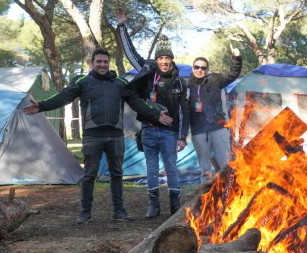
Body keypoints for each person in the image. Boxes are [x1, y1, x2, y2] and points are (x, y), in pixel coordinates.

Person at [23, 48, 173, 224]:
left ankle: (119, 211)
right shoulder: (83, 82)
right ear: (92, 63)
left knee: (117, 174)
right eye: (99, 61)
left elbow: (136, 103)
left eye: (105, 62)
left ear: (108, 63)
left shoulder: (120, 83)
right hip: (92, 135)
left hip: (116, 135)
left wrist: (155, 115)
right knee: (89, 174)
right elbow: (63, 97)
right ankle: (85, 212)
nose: (102, 65)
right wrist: (41, 106)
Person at [117, 8, 190, 218]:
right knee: (151, 169)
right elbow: (131, 54)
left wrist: (183, 137)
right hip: (148, 130)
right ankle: (153, 205)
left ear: (171, 60)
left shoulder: (179, 82)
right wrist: (122, 27)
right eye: (161, 58)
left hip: (169, 133)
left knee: (171, 168)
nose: (164, 61)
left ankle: (175, 205)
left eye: (167, 58)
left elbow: (185, 112)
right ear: (156, 60)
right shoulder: (148, 71)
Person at [189, 47, 242, 184]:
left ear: (207, 70)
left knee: (226, 165)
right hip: (198, 130)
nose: (200, 70)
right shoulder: (186, 85)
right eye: (197, 67)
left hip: (219, 128)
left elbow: (232, 74)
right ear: (192, 68)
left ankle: (229, 194)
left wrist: (236, 58)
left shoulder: (215, 80)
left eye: (203, 68)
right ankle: (205, 198)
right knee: (205, 169)